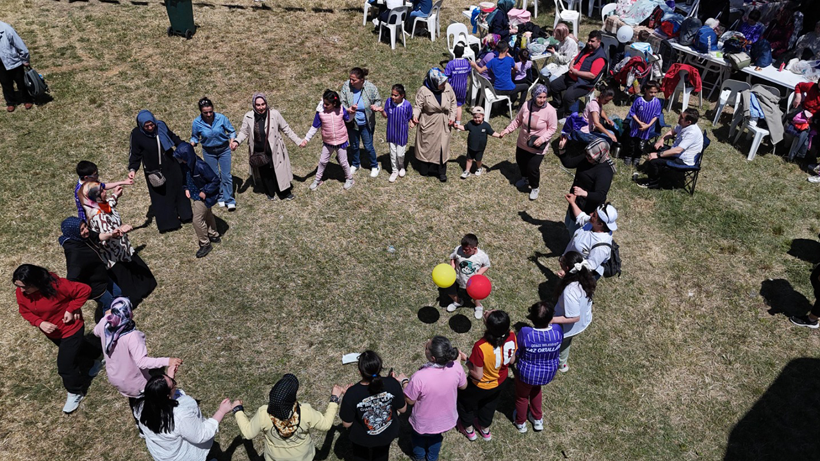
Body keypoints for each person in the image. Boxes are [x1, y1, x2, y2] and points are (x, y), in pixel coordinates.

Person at [13, 264, 99, 414]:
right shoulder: (22, 293)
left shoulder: (58, 285)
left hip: (71, 329)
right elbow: (24, 311)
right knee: (78, 349)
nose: (21, 291)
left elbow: (84, 290)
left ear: (36, 282)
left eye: (24, 287)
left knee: (65, 366)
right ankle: (97, 357)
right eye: (18, 286)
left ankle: (75, 392)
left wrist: (72, 308)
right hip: (53, 332)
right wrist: (40, 323)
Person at [92, 297, 181, 416]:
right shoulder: (132, 336)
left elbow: (95, 332)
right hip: (133, 380)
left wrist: (105, 317)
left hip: (116, 376)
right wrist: (168, 361)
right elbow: (142, 362)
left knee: (134, 398)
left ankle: (137, 417)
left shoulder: (105, 324)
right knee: (151, 399)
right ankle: (150, 421)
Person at [234, 374, 348, 461]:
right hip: (303, 457)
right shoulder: (305, 412)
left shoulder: (264, 413)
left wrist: (238, 410)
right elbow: (326, 425)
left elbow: (248, 433)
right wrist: (334, 399)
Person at [79, 181, 157, 306]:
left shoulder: (99, 205)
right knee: (124, 277)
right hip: (113, 254)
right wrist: (120, 230)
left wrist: (115, 195)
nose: (105, 191)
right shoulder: (97, 217)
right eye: (102, 191)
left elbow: (108, 208)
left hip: (121, 248)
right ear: (96, 196)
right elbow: (105, 236)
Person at [134, 369, 238, 461]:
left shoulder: (140, 406)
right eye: (173, 384)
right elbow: (201, 434)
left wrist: (168, 380)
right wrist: (221, 411)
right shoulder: (179, 416)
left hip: (162, 454)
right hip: (181, 457)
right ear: (167, 396)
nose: (175, 384)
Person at [393, 336, 468, 461]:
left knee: (418, 440)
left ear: (432, 358)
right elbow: (463, 386)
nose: (425, 346)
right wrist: (459, 366)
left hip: (423, 423)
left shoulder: (419, 377)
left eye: (427, 347)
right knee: (436, 439)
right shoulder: (456, 367)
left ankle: (419, 457)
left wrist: (404, 382)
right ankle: (433, 458)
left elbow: (410, 400)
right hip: (445, 420)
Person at [456, 309, 517, 441]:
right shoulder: (512, 336)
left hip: (481, 385)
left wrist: (466, 360)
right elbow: (512, 360)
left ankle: (468, 429)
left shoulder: (481, 346)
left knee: (464, 403)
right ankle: (485, 429)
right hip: (501, 381)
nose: (488, 311)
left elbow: (477, 375)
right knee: (489, 404)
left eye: (490, 314)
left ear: (488, 327)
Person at [128, 110, 193, 233]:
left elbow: (172, 137)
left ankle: (186, 215)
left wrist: (185, 147)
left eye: (151, 125)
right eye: (146, 126)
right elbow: (135, 153)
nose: (150, 128)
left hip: (171, 164)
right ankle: (169, 223)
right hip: (154, 171)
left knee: (179, 189)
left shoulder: (161, 126)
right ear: (141, 125)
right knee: (162, 196)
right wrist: (133, 169)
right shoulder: (136, 134)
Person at [232, 92, 302, 201]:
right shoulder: (248, 116)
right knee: (265, 172)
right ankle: (270, 192)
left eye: (263, 104)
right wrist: (237, 141)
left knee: (279, 171)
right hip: (258, 151)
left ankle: (285, 193)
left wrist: (298, 141)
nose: (261, 107)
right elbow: (243, 132)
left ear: (266, 103)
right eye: (258, 105)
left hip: (274, 149)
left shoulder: (274, 114)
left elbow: (286, 129)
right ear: (254, 105)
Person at [340, 350, 407, 461]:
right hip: (387, 434)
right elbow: (403, 409)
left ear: (360, 372)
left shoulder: (351, 393)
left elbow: (346, 424)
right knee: (382, 455)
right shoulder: (392, 383)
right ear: (380, 368)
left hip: (362, 439)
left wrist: (348, 396)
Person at [500, 84, 559, 200]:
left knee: (533, 168)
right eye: (539, 97)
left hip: (537, 145)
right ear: (533, 96)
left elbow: (552, 128)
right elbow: (518, 121)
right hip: (523, 142)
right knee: (521, 162)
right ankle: (524, 178)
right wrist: (507, 130)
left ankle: (534, 187)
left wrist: (541, 139)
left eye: (544, 97)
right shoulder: (526, 105)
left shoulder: (550, 111)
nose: (542, 100)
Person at [59, 216, 121, 322]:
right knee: (109, 305)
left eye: (85, 227)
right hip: (95, 286)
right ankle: (109, 327)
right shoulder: (75, 254)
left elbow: (97, 236)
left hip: (102, 275)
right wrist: (73, 307)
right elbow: (72, 280)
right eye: (82, 230)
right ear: (74, 233)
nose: (86, 230)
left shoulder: (82, 237)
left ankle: (121, 316)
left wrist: (112, 234)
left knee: (118, 293)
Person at [513, 300, 563, 432]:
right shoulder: (557, 330)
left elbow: (518, 351)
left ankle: (520, 422)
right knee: (536, 389)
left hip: (526, 373)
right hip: (547, 373)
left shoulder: (525, 332)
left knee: (522, 397)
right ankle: (537, 419)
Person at [557, 138, 616, 235]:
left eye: (590, 156)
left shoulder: (605, 172)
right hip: (576, 200)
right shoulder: (587, 158)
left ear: (599, 156)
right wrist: (562, 149)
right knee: (569, 223)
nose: (587, 157)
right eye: (587, 154)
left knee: (576, 232)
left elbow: (600, 195)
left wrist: (584, 193)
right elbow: (569, 163)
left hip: (587, 208)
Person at [173, 143, 221, 258]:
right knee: (207, 214)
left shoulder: (201, 166)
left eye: (181, 158)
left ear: (187, 157)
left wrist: (205, 191)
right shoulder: (186, 165)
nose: (180, 161)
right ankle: (213, 234)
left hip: (203, 196)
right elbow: (185, 177)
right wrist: (186, 188)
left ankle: (205, 243)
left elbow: (215, 180)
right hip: (195, 194)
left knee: (197, 220)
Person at [301, 89, 355, 191]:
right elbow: (314, 127)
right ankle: (317, 179)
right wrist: (306, 139)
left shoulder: (341, 109)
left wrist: (353, 113)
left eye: (327, 104)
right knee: (322, 161)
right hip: (328, 143)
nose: (324, 106)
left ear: (334, 103)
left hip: (341, 142)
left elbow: (348, 119)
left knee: (343, 162)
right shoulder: (320, 113)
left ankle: (350, 179)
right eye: (324, 103)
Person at [552, 251, 596, 373]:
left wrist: (552, 320)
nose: (560, 260)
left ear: (567, 267)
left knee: (554, 345)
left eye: (561, 259)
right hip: (582, 324)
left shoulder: (571, 291)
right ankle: (562, 364)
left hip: (569, 327)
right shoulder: (585, 278)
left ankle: (552, 363)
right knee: (566, 343)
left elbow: (573, 317)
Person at [636, 108, 703, 189]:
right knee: (655, 146)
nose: (679, 117)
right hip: (677, 152)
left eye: (681, 117)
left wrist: (658, 155)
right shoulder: (683, 124)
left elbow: (678, 150)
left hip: (683, 160)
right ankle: (647, 169)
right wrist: (661, 140)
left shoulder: (692, 133)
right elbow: (672, 132)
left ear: (689, 122)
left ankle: (652, 183)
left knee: (654, 161)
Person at [190, 97, 237, 210]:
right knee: (214, 176)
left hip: (223, 149)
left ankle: (229, 199)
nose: (209, 114)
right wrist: (192, 144)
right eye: (205, 112)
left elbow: (231, 131)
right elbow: (195, 137)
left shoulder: (221, 118)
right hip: (209, 151)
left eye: (210, 111)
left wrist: (232, 140)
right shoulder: (197, 122)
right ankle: (220, 197)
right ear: (201, 112)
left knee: (226, 175)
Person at [549, 30, 607, 119]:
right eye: (589, 40)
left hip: (583, 83)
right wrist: (571, 65)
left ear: (598, 42)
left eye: (592, 41)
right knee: (553, 85)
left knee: (568, 96)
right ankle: (559, 104)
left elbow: (592, 75)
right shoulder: (587, 49)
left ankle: (569, 114)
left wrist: (576, 72)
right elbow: (575, 58)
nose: (589, 43)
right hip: (571, 76)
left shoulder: (600, 58)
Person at [413, 68, 458, 182]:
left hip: (444, 123)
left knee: (442, 147)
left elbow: (453, 103)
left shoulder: (447, 87)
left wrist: (452, 117)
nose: (444, 84)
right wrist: (415, 116)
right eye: (441, 83)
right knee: (427, 146)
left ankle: (441, 172)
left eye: (444, 82)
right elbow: (418, 106)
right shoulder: (423, 91)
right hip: (429, 123)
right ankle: (426, 168)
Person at [564, 194, 618, 279]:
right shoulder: (592, 223)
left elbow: (589, 266)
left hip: (580, 276)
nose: (590, 213)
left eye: (594, 215)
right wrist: (572, 203)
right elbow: (581, 217)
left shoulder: (602, 247)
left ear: (600, 224)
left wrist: (569, 273)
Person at [341, 68, 382, 177]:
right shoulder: (346, 86)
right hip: (352, 122)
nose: (351, 82)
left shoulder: (370, 88)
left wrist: (375, 106)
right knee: (354, 145)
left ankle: (374, 165)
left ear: (361, 80)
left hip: (366, 123)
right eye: (350, 79)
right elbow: (342, 102)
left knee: (368, 146)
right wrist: (347, 109)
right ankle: (355, 164)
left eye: (353, 80)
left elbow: (378, 100)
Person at [445, 233, 492, 319]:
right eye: (462, 248)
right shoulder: (458, 249)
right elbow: (453, 258)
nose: (463, 251)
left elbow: (486, 265)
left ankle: (478, 306)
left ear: (474, 248)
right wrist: (452, 267)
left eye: (466, 250)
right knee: (450, 291)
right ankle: (458, 302)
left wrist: (478, 275)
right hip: (457, 277)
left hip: (472, 281)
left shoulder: (482, 256)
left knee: (475, 294)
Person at [470, 41, 528, 108]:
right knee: (525, 86)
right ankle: (520, 107)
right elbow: (517, 68)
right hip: (509, 89)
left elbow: (480, 70)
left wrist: (474, 65)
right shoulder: (510, 60)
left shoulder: (492, 61)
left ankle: (504, 104)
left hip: (496, 90)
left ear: (497, 50)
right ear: (507, 50)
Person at [376, 84, 414, 183]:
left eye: (395, 95)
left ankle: (401, 166)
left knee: (400, 154)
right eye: (392, 94)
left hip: (402, 134)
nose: (393, 97)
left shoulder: (407, 105)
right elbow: (386, 115)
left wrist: (412, 122)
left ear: (402, 95)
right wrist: (381, 111)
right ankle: (394, 170)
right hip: (391, 132)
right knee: (393, 154)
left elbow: (410, 117)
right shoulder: (389, 102)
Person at [622, 81, 662, 167]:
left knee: (641, 145)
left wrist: (648, 125)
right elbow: (632, 112)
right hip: (636, 127)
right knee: (632, 143)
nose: (653, 94)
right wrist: (640, 123)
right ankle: (628, 156)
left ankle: (637, 157)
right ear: (646, 90)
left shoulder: (656, 102)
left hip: (646, 129)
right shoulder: (639, 100)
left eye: (655, 92)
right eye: (651, 92)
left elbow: (656, 115)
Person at [454, 106, 502, 179]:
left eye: (479, 117)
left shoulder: (486, 126)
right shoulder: (470, 124)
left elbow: (492, 132)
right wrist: (457, 126)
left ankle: (479, 168)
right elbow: (464, 127)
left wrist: (499, 135)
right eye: (475, 117)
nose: (477, 119)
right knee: (469, 159)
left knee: (478, 160)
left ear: (483, 116)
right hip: (471, 146)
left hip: (480, 147)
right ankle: (467, 171)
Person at [0, 21, 32, 112]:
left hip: (14, 61)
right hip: (1, 65)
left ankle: (27, 100)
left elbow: (19, 44)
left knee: (21, 83)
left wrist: (25, 59)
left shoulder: (6, 29)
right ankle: (10, 102)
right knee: (5, 84)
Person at [444, 45, 472, 124]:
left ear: (454, 52)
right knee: (459, 106)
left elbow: (446, 76)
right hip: (462, 88)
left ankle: (450, 120)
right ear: (463, 53)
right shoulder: (466, 63)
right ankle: (458, 124)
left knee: (450, 104)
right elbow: (469, 72)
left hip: (452, 88)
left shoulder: (451, 64)